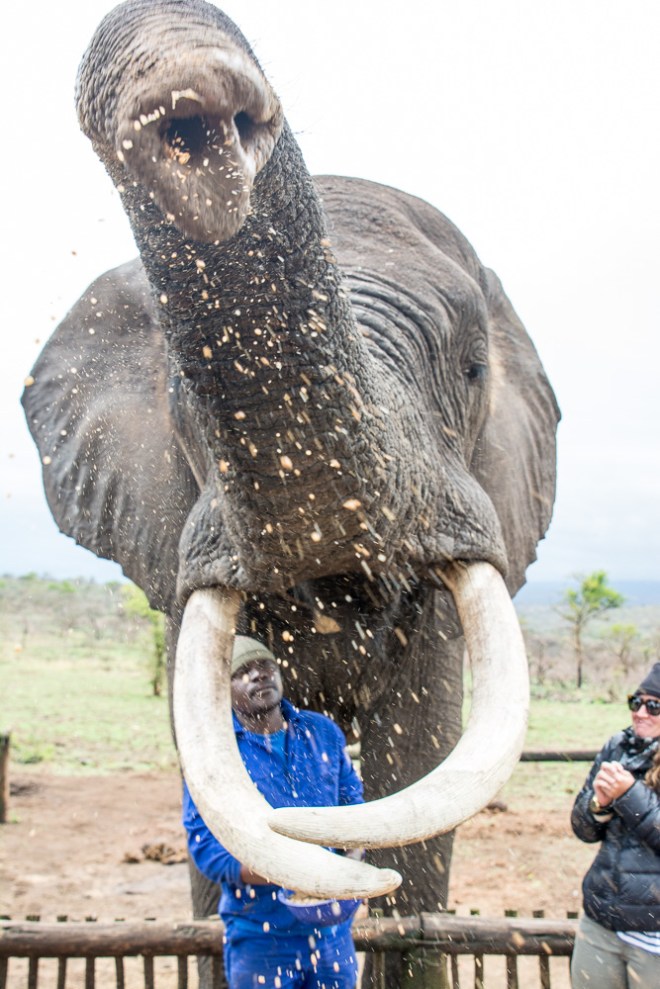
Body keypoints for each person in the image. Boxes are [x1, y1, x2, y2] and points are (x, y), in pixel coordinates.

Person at [182, 635, 364, 989]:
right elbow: (205, 847)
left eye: (265, 667)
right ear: (223, 690)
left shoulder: (322, 733)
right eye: (244, 672)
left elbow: (353, 807)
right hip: (260, 934)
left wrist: (351, 866)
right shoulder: (214, 753)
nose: (260, 676)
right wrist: (287, 874)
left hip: (332, 931)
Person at [570, 661, 660, 989]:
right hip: (601, 921)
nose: (641, 713)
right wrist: (599, 806)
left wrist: (628, 794)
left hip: (655, 938)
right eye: (636, 702)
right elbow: (583, 830)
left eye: (654, 706)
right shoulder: (618, 747)